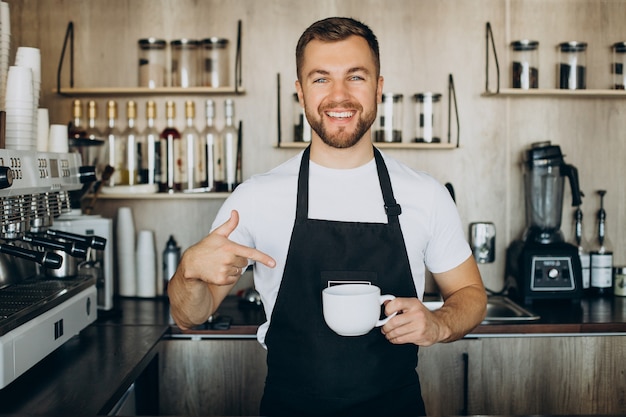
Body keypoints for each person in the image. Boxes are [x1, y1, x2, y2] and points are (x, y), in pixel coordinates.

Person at [168, 16, 487, 416]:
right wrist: (188, 274)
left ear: (379, 88)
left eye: (356, 76)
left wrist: (439, 324)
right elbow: (189, 315)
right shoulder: (254, 198)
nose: (339, 96)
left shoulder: (426, 195)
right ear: (300, 93)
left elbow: (471, 296)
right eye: (321, 79)